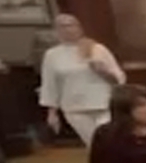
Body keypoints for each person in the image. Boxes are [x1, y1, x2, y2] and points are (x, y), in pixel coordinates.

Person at [39, 14, 124, 146]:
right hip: (75, 108)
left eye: (72, 25)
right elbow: (50, 85)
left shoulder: (97, 49)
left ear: (79, 28)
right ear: (56, 30)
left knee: (110, 141)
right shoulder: (52, 55)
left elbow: (119, 79)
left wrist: (102, 72)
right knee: (94, 144)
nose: (68, 29)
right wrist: (52, 113)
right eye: (62, 26)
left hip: (103, 104)